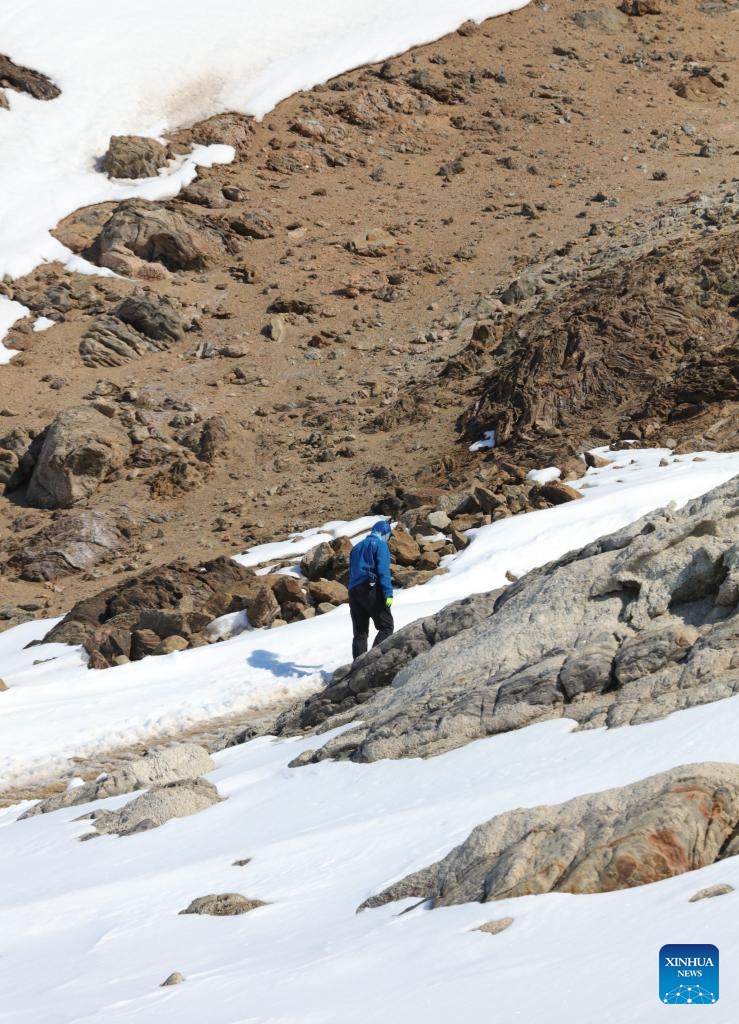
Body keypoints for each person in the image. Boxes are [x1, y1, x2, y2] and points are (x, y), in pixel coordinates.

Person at [347, 519, 394, 660]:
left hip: (353, 592)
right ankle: (372, 661)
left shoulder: (356, 547)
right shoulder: (380, 545)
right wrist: (388, 593)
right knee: (386, 627)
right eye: (389, 536)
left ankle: (357, 667)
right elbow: (383, 570)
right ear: (384, 533)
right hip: (370, 588)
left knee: (360, 633)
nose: (388, 539)